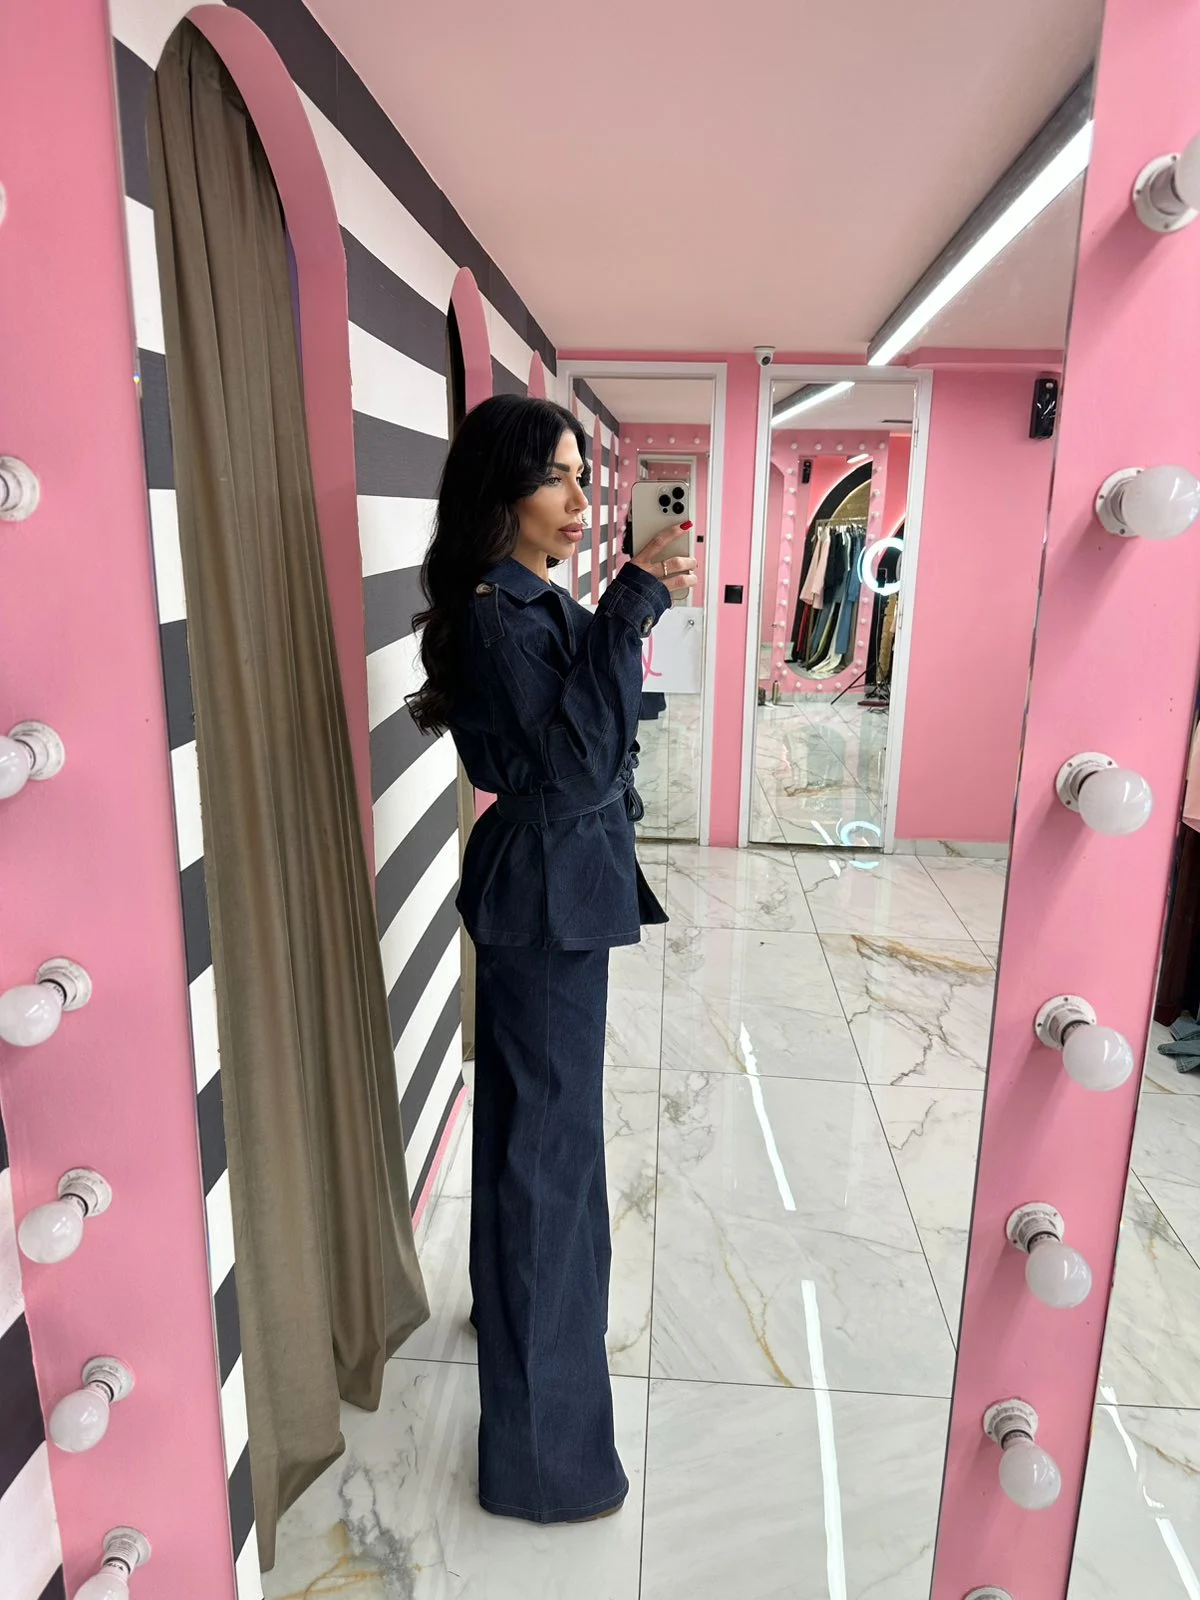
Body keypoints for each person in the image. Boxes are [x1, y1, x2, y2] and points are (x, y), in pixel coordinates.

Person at [406, 395, 695, 1526]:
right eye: (556, 479)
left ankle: (514, 1327)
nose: (579, 500)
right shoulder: (498, 612)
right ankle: (542, 1461)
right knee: (549, 1156)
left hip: (558, 884)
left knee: (537, 1134)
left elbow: (592, 731)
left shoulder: (531, 599)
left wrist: (620, 616)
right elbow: (575, 765)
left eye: (582, 477)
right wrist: (631, 603)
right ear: (502, 492)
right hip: (546, 889)